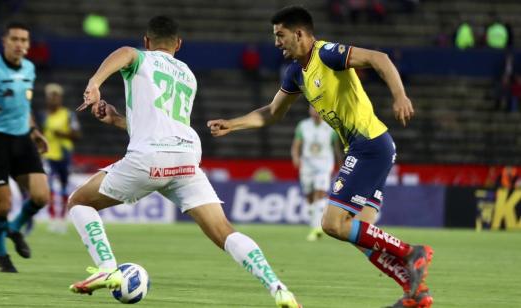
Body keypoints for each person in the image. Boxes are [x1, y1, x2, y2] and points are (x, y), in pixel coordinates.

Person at [67, 16, 301, 308]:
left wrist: (95, 83)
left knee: (79, 202)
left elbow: (125, 53)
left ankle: (106, 268)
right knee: (225, 231)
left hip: (150, 158)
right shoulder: (188, 74)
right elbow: (161, 125)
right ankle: (278, 288)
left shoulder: (140, 57)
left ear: (146, 42)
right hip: (186, 158)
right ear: (178, 44)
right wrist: (115, 119)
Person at [208, 6, 433, 308]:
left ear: (299, 34)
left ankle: (410, 252)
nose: (277, 42)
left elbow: (380, 59)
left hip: (369, 144)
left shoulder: (327, 54)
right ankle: (415, 292)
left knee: (332, 224)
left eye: (280, 35)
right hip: (375, 146)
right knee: (361, 234)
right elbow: (273, 113)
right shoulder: (295, 74)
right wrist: (232, 124)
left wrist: (399, 96)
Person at [0, 22, 50, 272]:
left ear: (28, 45)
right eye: (14, 39)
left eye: (24, 40)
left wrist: (35, 131)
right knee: (3, 205)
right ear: (4, 41)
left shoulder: (29, 68)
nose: (19, 44)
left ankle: (14, 229)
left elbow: (23, 106)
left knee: (41, 196)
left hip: (23, 139)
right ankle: (1, 254)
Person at [291, 105, 341, 241]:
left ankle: (317, 228)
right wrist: (295, 156)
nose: (315, 112)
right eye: (313, 109)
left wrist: (341, 164)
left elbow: (337, 148)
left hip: (324, 165)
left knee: (320, 193)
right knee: (309, 197)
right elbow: (296, 145)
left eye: (318, 109)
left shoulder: (331, 127)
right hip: (307, 165)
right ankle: (316, 218)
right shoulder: (303, 126)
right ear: (309, 110)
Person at [42, 83, 81, 233]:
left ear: (60, 98)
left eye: (56, 96)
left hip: (64, 155)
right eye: (51, 96)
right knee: (50, 188)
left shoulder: (68, 114)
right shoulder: (43, 116)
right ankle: (52, 219)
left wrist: (62, 134)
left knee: (64, 188)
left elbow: (77, 134)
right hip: (49, 155)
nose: (53, 99)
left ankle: (62, 219)